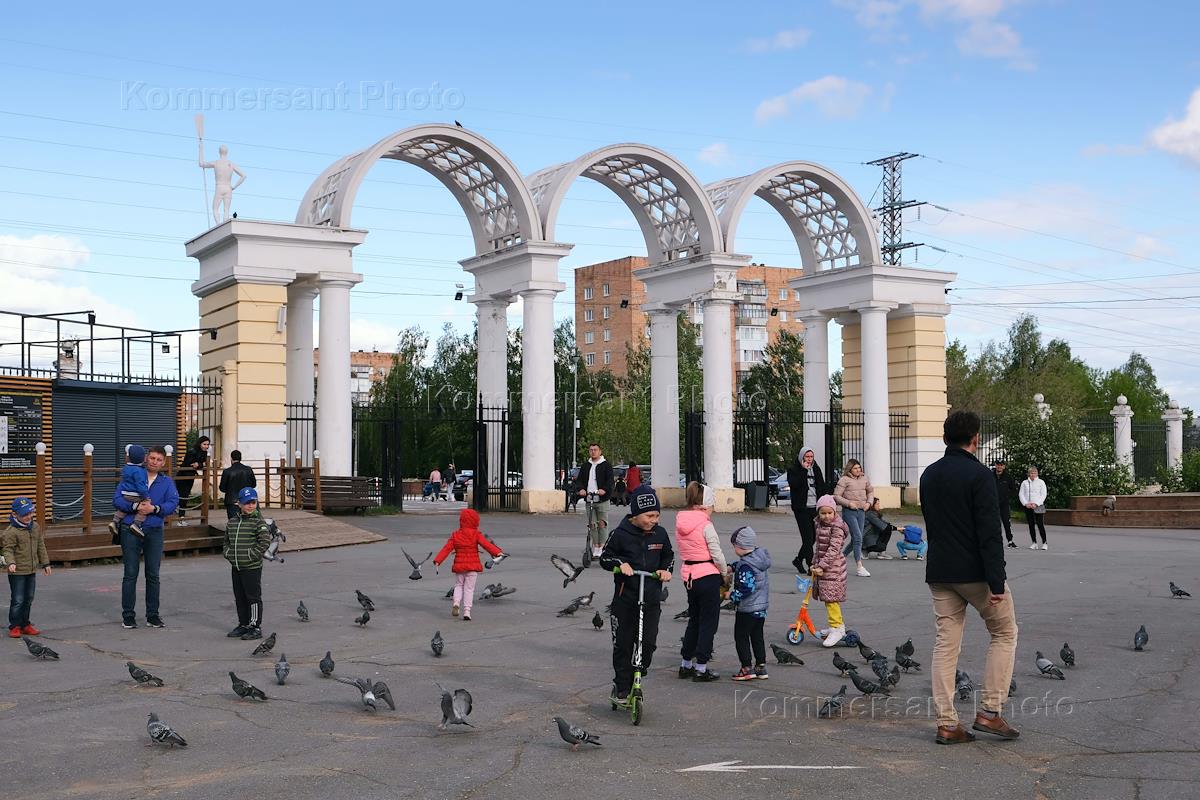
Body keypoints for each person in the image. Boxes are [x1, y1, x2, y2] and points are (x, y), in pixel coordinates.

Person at [920, 410, 1019, 745]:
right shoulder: (980, 476)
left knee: (945, 646)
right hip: (976, 573)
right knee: (1005, 632)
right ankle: (990, 711)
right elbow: (989, 533)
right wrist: (996, 582)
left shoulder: (929, 475)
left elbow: (935, 524)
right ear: (975, 439)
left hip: (940, 572)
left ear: (946, 437)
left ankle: (947, 724)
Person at [599, 484, 673, 705]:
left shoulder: (660, 534)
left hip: (650, 597)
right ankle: (622, 686)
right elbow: (605, 558)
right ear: (636, 514)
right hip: (626, 599)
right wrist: (621, 564)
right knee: (623, 644)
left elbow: (668, 556)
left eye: (657, 515)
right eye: (649, 515)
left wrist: (665, 571)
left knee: (647, 643)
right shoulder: (620, 535)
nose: (654, 520)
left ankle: (638, 673)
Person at [115, 445, 179, 629]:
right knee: (130, 574)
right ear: (146, 458)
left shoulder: (166, 482)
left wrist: (155, 509)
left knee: (153, 574)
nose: (155, 462)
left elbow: (173, 503)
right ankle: (128, 615)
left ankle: (153, 615)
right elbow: (117, 499)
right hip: (129, 529)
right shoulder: (133, 474)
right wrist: (135, 508)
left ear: (163, 463)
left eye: (159, 460)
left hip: (154, 530)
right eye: (152, 458)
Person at [675, 482, 729, 682]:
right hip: (707, 574)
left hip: (689, 574)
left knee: (694, 620)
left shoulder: (681, 521)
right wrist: (724, 572)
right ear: (705, 505)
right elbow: (716, 553)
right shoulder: (706, 525)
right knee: (709, 622)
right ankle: (701, 666)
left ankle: (686, 663)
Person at [433, 508, 505, 621]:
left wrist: (438, 560)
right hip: (472, 566)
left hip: (459, 566)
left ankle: (456, 603)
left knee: (458, 585)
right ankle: (467, 611)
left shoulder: (456, 535)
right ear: (475, 521)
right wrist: (497, 552)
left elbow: (446, 549)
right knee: (469, 589)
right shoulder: (476, 534)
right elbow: (486, 545)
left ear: (461, 520)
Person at [222, 487, 272, 640]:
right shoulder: (232, 522)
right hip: (236, 566)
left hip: (252, 567)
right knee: (240, 596)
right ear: (239, 504)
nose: (250, 506)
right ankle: (243, 624)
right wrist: (229, 554)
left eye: (253, 502)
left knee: (253, 597)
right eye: (247, 503)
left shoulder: (259, 522)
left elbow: (264, 542)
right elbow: (226, 542)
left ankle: (255, 626)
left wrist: (252, 555)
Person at [728, 525, 771, 681]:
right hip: (761, 608)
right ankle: (761, 667)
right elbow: (744, 563)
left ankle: (746, 667)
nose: (734, 549)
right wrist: (732, 567)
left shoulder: (745, 566)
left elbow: (747, 587)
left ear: (740, 546)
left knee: (741, 636)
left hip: (748, 608)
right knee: (757, 636)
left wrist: (731, 595)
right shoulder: (758, 557)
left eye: (734, 546)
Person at [3, 498, 50, 638]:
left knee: (29, 598)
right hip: (17, 571)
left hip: (31, 570)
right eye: (24, 514)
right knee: (18, 599)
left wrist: (46, 563)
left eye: (30, 513)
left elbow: (41, 546)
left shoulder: (34, 527)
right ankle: (15, 625)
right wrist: (10, 562)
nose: (28, 517)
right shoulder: (11, 532)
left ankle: (25, 624)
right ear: (15, 514)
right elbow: (8, 550)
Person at [812, 494, 850, 647]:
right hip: (825, 568)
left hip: (834, 569)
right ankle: (834, 625)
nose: (827, 516)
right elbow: (819, 548)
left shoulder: (837, 528)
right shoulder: (820, 525)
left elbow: (833, 550)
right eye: (823, 513)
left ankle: (838, 628)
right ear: (818, 513)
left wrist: (821, 565)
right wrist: (814, 563)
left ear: (835, 512)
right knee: (828, 599)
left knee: (832, 599)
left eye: (830, 513)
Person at [786, 445, 826, 574]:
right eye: (806, 457)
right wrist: (803, 471)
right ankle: (810, 565)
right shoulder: (794, 469)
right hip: (801, 508)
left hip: (815, 507)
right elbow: (794, 484)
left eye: (811, 456)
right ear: (801, 457)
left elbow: (821, 485)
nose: (809, 459)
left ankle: (798, 559)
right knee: (807, 538)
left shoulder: (816, 468)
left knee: (814, 537)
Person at [833, 459, 875, 578]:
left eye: (859, 468)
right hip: (849, 512)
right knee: (857, 537)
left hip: (861, 511)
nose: (858, 470)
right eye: (855, 468)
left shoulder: (864, 478)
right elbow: (836, 496)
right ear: (850, 469)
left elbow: (870, 491)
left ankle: (839, 560)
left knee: (857, 538)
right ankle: (859, 567)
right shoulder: (844, 480)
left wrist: (869, 503)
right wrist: (848, 503)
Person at [577, 443, 614, 560]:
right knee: (592, 524)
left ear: (600, 451)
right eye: (591, 450)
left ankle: (603, 547)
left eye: (595, 450)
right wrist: (581, 489)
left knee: (602, 523)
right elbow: (580, 480)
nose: (593, 452)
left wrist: (604, 490)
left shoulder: (606, 465)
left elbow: (610, 481)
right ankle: (596, 546)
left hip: (602, 499)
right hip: (589, 498)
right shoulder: (585, 466)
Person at [109, 444, 150, 538]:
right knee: (144, 507)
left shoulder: (126, 468)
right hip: (136, 495)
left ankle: (114, 521)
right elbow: (141, 486)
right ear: (142, 458)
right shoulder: (139, 471)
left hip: (125, 494)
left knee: (122, 509)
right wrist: (146, 496)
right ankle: (136, 524)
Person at [174, 436, 210, 519]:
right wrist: (199, 464)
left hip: (191, 476)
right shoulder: (192, 451)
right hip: (182, 476)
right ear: (200, 444)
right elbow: (189, 463)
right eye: (204, 444)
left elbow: (202, 464)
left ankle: (180, 515)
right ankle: (181, 517)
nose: (206, 446)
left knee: (185, 497)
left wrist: (199, 464)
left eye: (207, 444)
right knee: (183, 496)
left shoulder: (204, 453)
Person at [218, 451, 256, 521]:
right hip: (246, 500)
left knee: (233, 522)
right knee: (247, 522)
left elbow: (222, 488)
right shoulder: (248, 470)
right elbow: (253, 485)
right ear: (240, 458)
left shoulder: (227, 471)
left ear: (231, 459)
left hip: (232, 501)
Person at [1019, 466, 1049, 550]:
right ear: (1029, 474)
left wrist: (1036, 503)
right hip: (1028, 506)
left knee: (1040, 525)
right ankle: (1034, 542)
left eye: (1034, 473)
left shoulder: (1041, 482)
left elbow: (1043, 494)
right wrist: (1025, 503)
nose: (1033, 474)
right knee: (1031, 525)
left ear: (1037, 474)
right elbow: (1021, 494)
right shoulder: (1024, 483)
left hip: (1038, 506)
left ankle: (1044, 542)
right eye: (1031, 473)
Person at [993, 459, 1018, 548]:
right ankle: (995, 541)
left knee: (1007, 523)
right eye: (998, 465)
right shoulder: (990, 476)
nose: (999, 466)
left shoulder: (1008, 477)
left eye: (1001, 465)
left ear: (1004, 466)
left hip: (1004, 504)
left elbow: (1014, 490)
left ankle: (1010, 541)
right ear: (995, 465)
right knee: (994, 523)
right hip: (993, 504)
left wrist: (1007, 497)